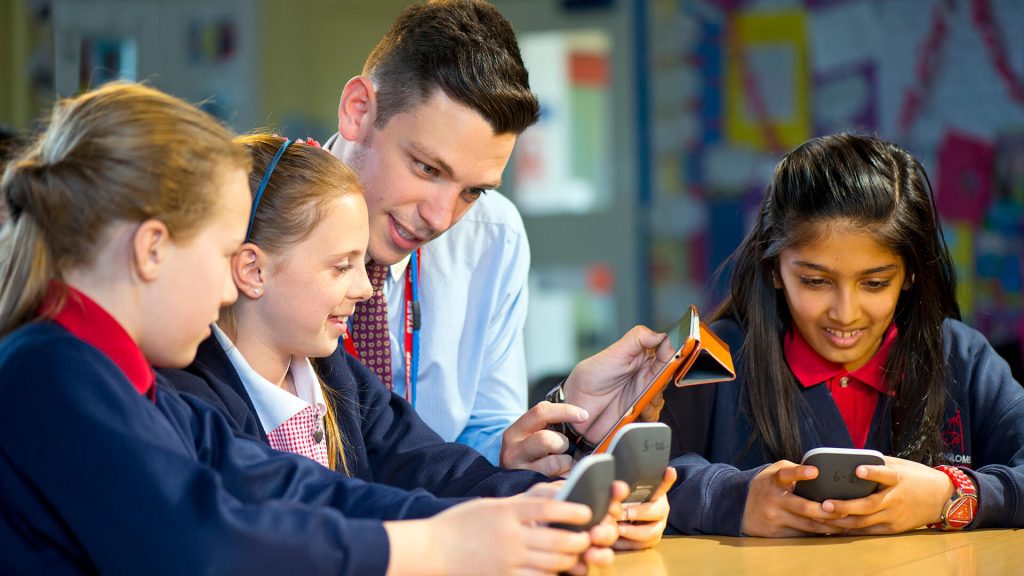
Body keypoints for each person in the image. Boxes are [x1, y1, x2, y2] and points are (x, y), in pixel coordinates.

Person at [0, 82, 620, 575]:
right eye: (222, 259)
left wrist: (509, 515)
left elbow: (294, 489)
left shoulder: (125, 383)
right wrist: (436, 550)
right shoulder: (48, 374)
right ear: (152, 250)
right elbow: (203, 547)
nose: (226, 289)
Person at [161, 132, 674, 549]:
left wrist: (573, 503)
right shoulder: (189, 398)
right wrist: (473, 532)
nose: (364, 288)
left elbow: (443, 471)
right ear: (252, 270)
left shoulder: (335, 376)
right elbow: (316, 511)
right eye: (341, 267)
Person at [660, 133, 1024, 537]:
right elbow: (633, 477)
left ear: (910, 276)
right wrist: (732, 501)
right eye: (815, 281)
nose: (845, 313)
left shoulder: (961, 358)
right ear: (775, 269)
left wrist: (950, 495)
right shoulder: (715, 359)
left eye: (874, 284)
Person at [327, 0, 610, 475]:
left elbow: (487, 429)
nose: (440, 218)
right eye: (427, 167)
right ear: (359, 112)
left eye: (472, 190)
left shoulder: (494, 238)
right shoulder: (259, 224)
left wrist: (523, 446)